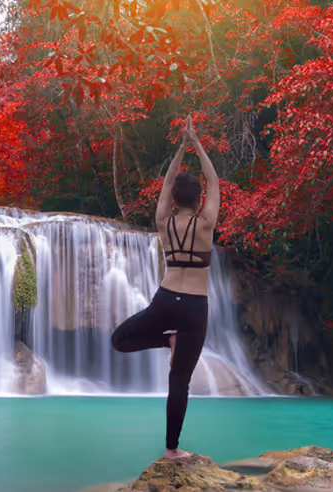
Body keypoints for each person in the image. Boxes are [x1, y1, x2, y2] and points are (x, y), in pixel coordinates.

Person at [110, 115, 219, 460]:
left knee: (119, 340)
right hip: (194, 308)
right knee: (179, 383)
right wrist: (196, 143)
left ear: (174, 198)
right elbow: (214, 179)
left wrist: (180, 148)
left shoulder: (163, 222)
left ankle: (164, 340)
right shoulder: (206, 223)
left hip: (164, 301)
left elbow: (168, 180)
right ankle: (172, 450)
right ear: (198, 198)